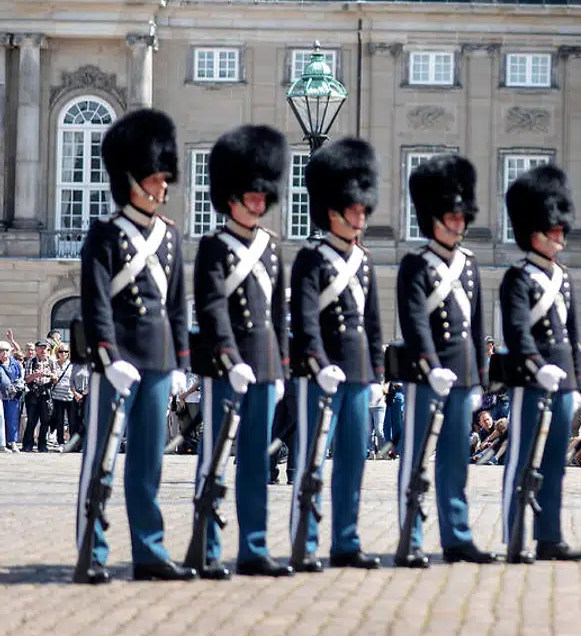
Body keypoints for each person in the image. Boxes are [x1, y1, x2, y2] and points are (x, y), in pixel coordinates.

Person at [75, 108, 194, 583]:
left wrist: (182, 362)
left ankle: (149, 550)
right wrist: (107, 355)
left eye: (165, 178)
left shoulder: (169, 237)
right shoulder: (105, 236)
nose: (164, 186)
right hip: (119, 362)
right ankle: (92, 551)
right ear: (132, 180)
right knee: (100, 462)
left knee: (148, 464)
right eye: (155, 178)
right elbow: (96, 302)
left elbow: (177, 306)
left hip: (160, 361)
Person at [190, 125, 293, 579]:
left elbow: (279, 312)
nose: (256, 202)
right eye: (249, 195)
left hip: (266, 366)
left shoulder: (271, 248)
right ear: (231, 197)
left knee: (257, 460)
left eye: (260, 196)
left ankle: (254, 546)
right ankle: (207, 547)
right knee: (214, 458)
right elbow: (212, 307)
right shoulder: (214, 246)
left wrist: (283, 366)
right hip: (226, 368)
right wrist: (230, 359)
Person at [289, 137, 386, 572]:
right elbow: (305, 316)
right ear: (334, 212)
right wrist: (315, 361)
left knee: (352, 462)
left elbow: (374, 321)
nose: (361, 218)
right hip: (323, 373)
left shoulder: (363, 261)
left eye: (364, 211)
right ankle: (305, 542)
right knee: (312, 460)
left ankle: (346, 539)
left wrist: (378, 372)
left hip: (360, 373)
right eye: (355, 211)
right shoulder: (312, 257)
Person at [394, 154, 494, 568]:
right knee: (417, 460)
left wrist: (479, 380)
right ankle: (409, 537)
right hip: (427, 376)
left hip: (461, 378)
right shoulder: (416, 264)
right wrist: (429, 364)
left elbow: (476, 324)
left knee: (456, 463)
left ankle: (457, 536)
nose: (457, 223)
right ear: (434, 218)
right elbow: (415, 319)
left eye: (460, 217)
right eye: (450, 216)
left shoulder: (468, 265)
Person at [499, 163, 581, 562]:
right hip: (533, 380)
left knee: (555, 463)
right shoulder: (518, 277)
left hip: (562, 380)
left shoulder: (563, 278)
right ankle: (515, 533)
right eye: (554, 229)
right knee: (522, 460)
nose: (560, 235)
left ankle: (549, 535)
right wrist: (537, 365)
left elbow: (571, 333)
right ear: (534, 231)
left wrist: (578, 381)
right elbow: (518, 332)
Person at [22, 341, 55, 452]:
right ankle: (28, 444)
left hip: (46, 393)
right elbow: (26, 379)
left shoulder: (51, 362)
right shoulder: (31, 362)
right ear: (36, 350)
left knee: (45, 421)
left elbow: (55, 378)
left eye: (45, 348)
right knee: (31, 421)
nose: (43, 351)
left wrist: (52, 376)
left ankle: (42, 444)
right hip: (33, 393)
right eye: (41, 348)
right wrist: (35, 374)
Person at [0, 339, 21, 450]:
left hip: (12, 396)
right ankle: (2, 444)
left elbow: (20, 376)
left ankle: (13, 442)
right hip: (1, 396)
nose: (4, 353)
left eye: (6, 350)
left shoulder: (15, 363)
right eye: (1, 350)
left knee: (12, 420)